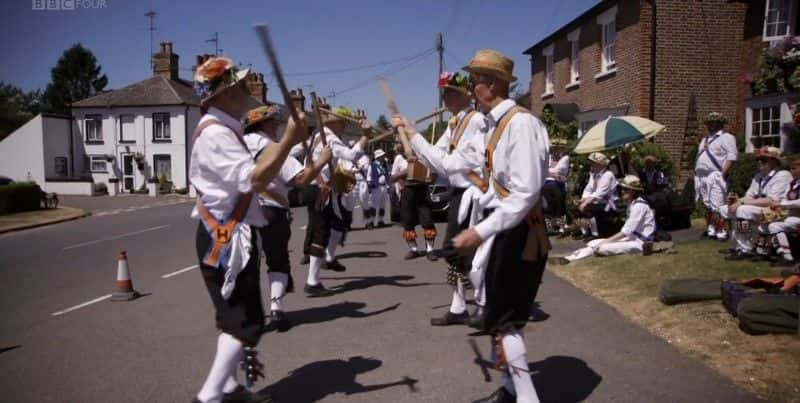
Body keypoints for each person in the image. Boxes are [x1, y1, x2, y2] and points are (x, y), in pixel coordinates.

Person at [189, 57, 307, 403]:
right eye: (239, 84)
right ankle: (210, 396)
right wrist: (287, 141)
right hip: (225, 238)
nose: (245, 88)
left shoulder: (225, 129)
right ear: (224, 92)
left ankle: (227, 387)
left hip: (226, 235)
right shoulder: (215, 134)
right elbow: (254, 179)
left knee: (232, 318)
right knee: (245, 321)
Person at [445, 48, 547, 403]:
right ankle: (510, 388)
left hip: (520, 231)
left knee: (506, 320)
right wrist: (411, 137)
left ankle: (526, 397)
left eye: (475, 81)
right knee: (497, 315)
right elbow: (450, 163)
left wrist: (481, 231)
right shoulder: (490, 126)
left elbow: (524, 194)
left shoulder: (521, 124)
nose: (472, 88)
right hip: (503, 228)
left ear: (493, 84)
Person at [403, 71, 488, 326]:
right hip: (459, 194)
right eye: (444, 92)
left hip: (474, 194)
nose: (446, 96)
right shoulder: (454, 124)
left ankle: (485, 303)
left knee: (459, 251)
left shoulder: (476, 121)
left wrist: (413, 135)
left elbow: (449, 164)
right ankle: (460, 307)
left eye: (451, 91)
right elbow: (434, 156)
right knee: (457, 252)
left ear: (466, 95)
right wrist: (411, 142)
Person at [243, 105, 331, 332]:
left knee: (247, 264)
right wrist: (321, 161)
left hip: (241, 211)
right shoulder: (272, 148)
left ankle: (248, 315)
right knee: (277, 261)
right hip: (270, 210)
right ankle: (276, 308)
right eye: (275, 122)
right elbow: (300, 179)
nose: (278, 126)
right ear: (264, 124)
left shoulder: (238, 145)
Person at [303, 106, 368, 296]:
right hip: (319, 190)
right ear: (334, 122)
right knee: (321, 233)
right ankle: (312, 282)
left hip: (316, 188)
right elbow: (350, 156)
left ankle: (329, 259)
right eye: (343, 122)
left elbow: (293, 151)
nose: (344, 126)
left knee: (337, 225)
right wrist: (364, 137)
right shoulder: (329, 138)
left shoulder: (315, 136)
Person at [559, 175, 656, 263]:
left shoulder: (639, 206)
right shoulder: (632, 203)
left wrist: (605, 241)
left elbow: (625, 232)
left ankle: (570, 259)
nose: (622, 191)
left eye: (626, 189)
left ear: (633, 191)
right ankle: (569, 258)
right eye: (622, 188)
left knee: (601, 247)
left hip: (641, 243)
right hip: (632, 238)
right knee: (593, 242)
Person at [723, 146, 791, 260]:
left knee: (743, 210)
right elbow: (749, 195)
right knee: (725, 209)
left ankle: (746, 249)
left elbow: (771, 200)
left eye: (763, 160)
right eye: (758, 159)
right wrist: (737, 201)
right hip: (764, 209)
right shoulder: (758, 176)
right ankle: (737, 246)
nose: (759, 162)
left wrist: (742, 203)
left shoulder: (782, 175)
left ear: (774, 161)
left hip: (779, 211)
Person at [695, 112, 737, 240]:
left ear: (720, 124)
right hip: (701, 176)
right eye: (709, 123)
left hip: (715, 174)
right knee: (706, 204)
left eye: (714, 122)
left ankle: (722, 231)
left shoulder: (727, 137)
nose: (711, 125)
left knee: (717, 204)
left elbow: (732, 156)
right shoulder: (704, 139)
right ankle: (711, 229)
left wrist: (722, 173)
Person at [763, 158, 800, 268]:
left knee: (785, 222)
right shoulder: (792, 183)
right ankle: (785, 256)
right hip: (793, 216)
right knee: (772, 224)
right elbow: (784, 199)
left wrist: (782, 205)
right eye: (791, 168)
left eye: (795, 168)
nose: (792, 171)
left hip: (796, 218)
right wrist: (776, 209)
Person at [575, 152, 618, 240]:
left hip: (609, 204)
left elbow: (600, 193)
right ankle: (585, 232)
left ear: (600, 164)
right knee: (577, 207)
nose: (591, 165)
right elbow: (589, 188)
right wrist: (583, 199)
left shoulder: (608, 175)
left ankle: (595, 234)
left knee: (588, 208)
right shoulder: (593, 174)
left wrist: (586, 202)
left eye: (593, 163)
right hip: (597, 201)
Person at [543, 137, 570, 236]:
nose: (556, 150)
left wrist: (549, 172)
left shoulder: (565, 158)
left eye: (558, 148)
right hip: (546, 184)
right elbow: (544, 170)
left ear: (562, 149)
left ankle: (562, 229)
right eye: (554, 148)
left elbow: (559, 171)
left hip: (558, 185)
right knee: (547, 207)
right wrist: (552, 174)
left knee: (559, 206)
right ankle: (550, 227)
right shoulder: (549, 157)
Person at [367, 149, 390, 228]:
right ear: (378, 157)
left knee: (382, 205)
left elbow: (387, 175)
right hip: (376, 187)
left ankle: (380, 220)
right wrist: (370, 184)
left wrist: (388, 184)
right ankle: (371, 222)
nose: (383, 157)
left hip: (384, 187)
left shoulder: (384, 165)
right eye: (382, 156)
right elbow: (369, 176)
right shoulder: (372, 165)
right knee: (373, 205)